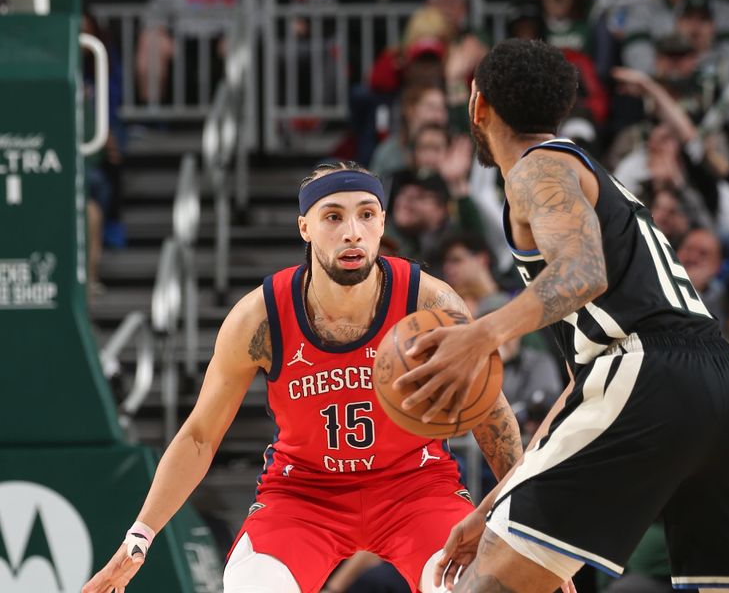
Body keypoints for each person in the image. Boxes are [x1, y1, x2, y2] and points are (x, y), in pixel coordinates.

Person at [392, 39, 729, 592]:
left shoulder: (538, 168)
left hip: (650, 375)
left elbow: (582, 274)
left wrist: (478, 336)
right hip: (727, 387)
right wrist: (495, 505)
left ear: (478, 105)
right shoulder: (587, 176)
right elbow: (587, 384)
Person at [81, 161, 524, 593]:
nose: (353, 231)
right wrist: (138, 538)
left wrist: (528, 528)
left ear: (383, 223)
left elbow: (492, 416)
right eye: (333, 216)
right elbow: (200, 435)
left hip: (416, 486)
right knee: (249, 585)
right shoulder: (259, 318)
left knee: (470, 586)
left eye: (367, 214)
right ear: (304, 228)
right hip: (305, 493)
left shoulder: (430, 303)